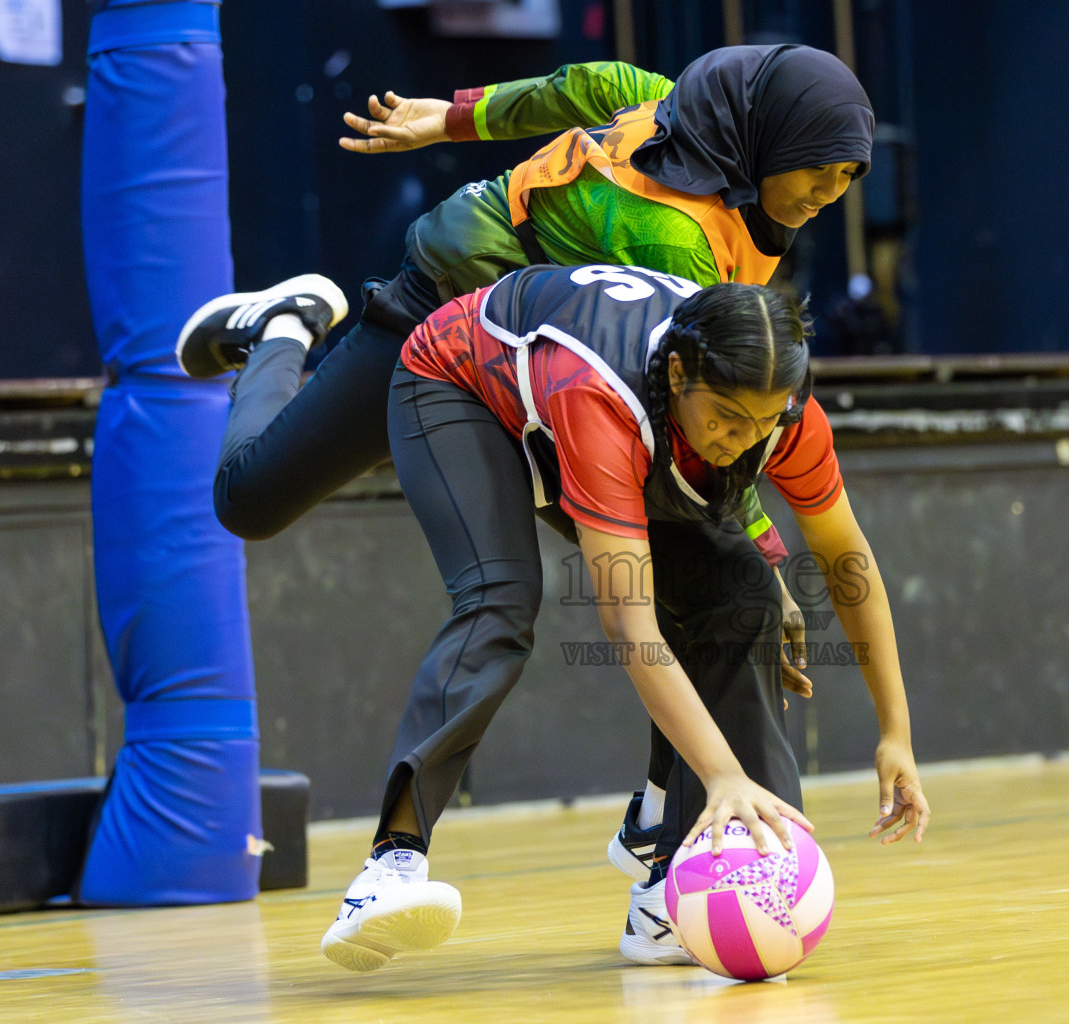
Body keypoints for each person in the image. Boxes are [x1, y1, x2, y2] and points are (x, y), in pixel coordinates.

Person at [176, 45, 874, 872]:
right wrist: (759, 540)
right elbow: (706, 433)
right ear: (770, 141)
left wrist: (451, 117)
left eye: (847, 179)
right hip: (446, 333)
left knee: (700, 580)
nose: (830, 196)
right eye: (818, 173)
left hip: (548, 381)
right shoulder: (672, 243)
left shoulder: (688, 116)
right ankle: (283, 328)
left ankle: (664, 829)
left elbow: (589, 85)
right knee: (248, 501)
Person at [315, 263, 930, 972]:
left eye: (764, 422)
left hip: (593, 421)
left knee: (743, 600)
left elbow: (848, 564)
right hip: (459, 388)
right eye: (727, 421)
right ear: (676, 378)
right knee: (501, 598)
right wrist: (724, 772)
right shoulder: (601, 397)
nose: (743, 441)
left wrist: (896, 735)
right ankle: (389, 866)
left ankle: (675, 877)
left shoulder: (780, 418)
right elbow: (632, 626)